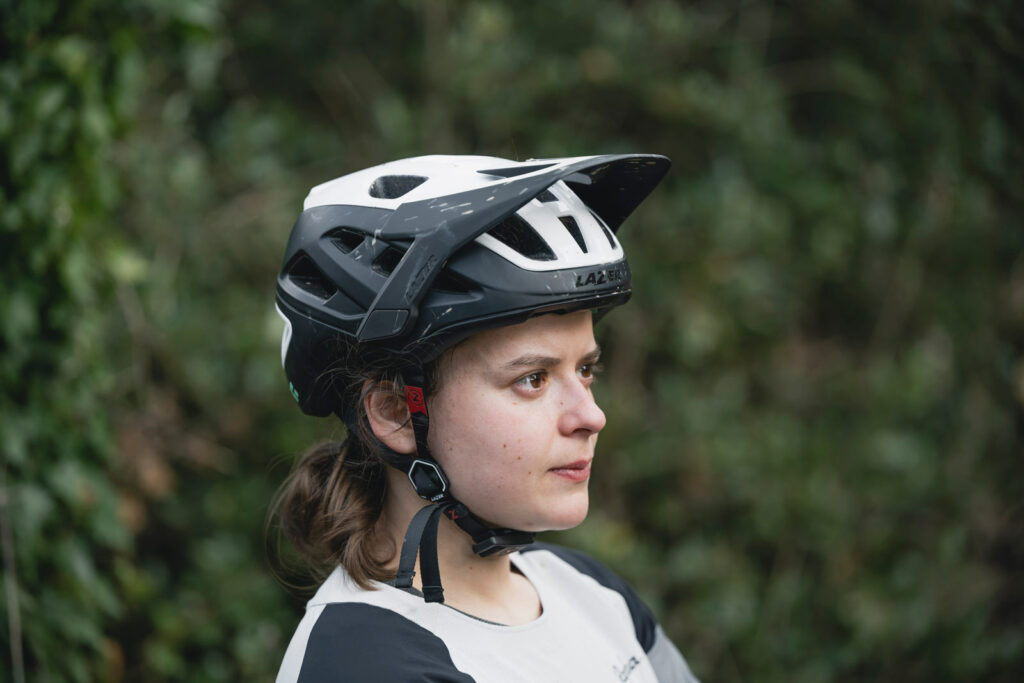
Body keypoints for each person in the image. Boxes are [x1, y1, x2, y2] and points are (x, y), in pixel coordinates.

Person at [272, 154, 699, 682]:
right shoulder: (363, 662)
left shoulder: (587, 589)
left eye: (586, 369)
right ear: (396, 413)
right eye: (533, 379)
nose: (591, 416)